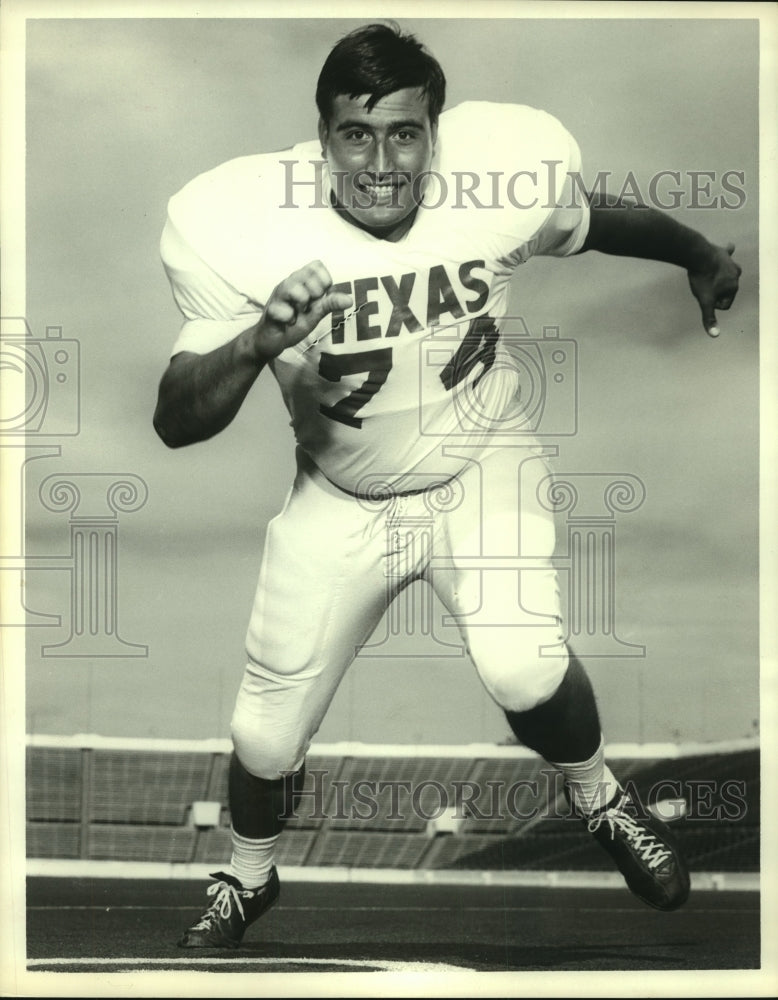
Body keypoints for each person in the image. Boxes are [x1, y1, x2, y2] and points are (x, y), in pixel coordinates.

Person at [153, 23, 741, 948]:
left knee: (524, 667)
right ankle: (250, 873)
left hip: (480, 468)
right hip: (339, 499)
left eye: (406, 133)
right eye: (357, 133)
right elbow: (176, 417)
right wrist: (258, 340)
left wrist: (699, 255)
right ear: (321, 139)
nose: (382, 161)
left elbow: (596, 223)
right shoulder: (245, 228)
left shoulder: (492, 189)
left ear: (437, 134)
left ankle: (602, 798)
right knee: (263, 739)